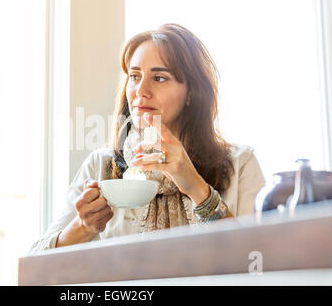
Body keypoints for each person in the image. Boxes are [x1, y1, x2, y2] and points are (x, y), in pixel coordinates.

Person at [29, 23, 266, 253]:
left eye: (159, 78)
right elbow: (34, 266)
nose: (140, 91)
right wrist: (82, 227)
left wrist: (196, 188)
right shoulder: (100, 165)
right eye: (134, 76)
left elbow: (259, 261)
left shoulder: (240, 163)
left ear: (192, 93)